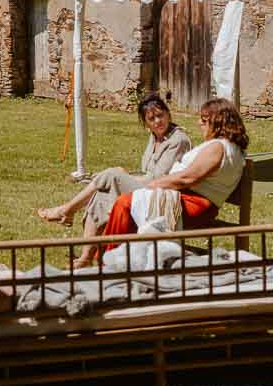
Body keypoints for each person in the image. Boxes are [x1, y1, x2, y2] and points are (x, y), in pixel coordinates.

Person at [93, 97, 248, 265]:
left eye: (204, 120)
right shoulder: (227, 147)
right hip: (189, 200)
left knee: (125, 203)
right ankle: (123, 260)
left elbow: (187, 178)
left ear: (218, 121)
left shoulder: (217, 147)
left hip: (193, 204)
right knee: (128, 202)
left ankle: (109, 263)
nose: (199, 123)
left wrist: (156, 184)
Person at [35, 93, 192, 239]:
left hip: (161, 194)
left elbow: (159, 179)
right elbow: (147, 171)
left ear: (168, 114)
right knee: (101, 194)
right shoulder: (156, 136)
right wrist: (127, 175)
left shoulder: (178, 140)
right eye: (152, 119)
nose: (157, 121)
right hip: (147, 187)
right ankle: (86, 255)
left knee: (111, 174)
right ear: (146, 123)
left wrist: (125, 177)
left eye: (160, 115)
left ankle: (67, 210)